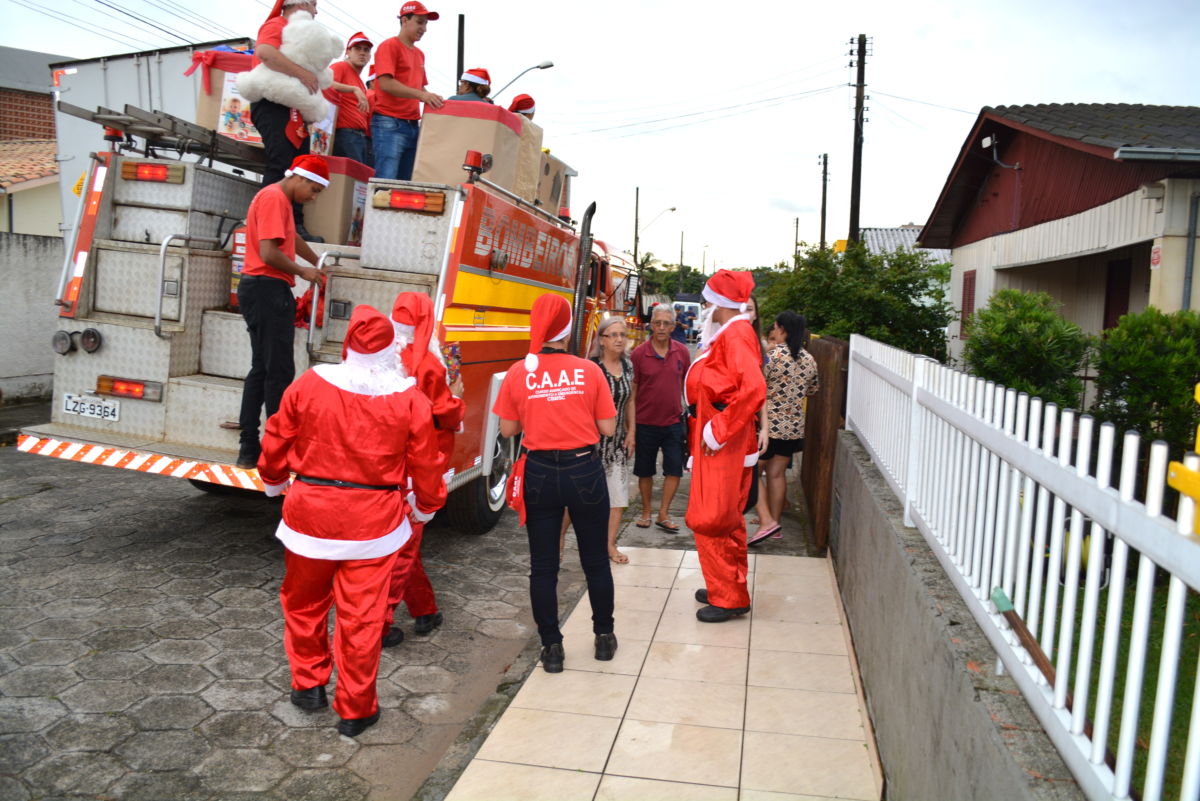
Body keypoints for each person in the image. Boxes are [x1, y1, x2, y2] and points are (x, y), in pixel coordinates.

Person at [258, 305, 446, 737]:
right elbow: (427, 463)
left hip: (310, 516)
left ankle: (308, 686)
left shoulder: (309, 384)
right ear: (391, 351)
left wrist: (272, 481)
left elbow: (276, 436)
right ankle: (356, 710)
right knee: (361, 619)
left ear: (348, 347)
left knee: (303, 606)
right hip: (374, 525)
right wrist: (426, 507)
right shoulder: (410, 399)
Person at [493, 293, 618, 673]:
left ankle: (551, 647)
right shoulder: (590, 370)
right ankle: (603, 637)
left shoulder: (519, 371)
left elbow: (508, 428)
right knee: (595, 560)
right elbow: (608, 428)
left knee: (543, 566)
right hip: (584, 471)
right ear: (569, 327)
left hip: (540, 473)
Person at [381, 292, 465, 645]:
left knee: (404, 543)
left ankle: (425, 610)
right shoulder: (428, 363)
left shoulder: (377, 354)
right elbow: (446, 413)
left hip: (383, 465)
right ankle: (380, 623)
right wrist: (457, 394)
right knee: (405, 547)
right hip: (419, 465)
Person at [235, 154, 327, 469]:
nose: (314, 198)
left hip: (258, 289)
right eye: (314, 190)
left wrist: (318, 260)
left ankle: (250, 448)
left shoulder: (278, 200)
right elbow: (269, 253)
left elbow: (292, 238)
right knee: (278, 372)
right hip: (267, 289)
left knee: (262, 369)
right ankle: (275, 450)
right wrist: (304, 272)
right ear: (298, 177)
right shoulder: (274, 198)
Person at [685, 270, 767, 622]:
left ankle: (728, 596)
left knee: (712, 518)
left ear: (718, 302)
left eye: (708, 299)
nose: (705, 306)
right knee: (728, 517)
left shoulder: (735, 335)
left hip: (723, 443)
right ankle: (726, 585)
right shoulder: (734, 333)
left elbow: (753, 388)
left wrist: (718, 429)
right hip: (725, 441)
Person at [251, 0, 323, 241]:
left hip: (292, 107)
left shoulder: (299, 34)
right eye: (313, 4)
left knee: (300, 167)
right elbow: (264, 53)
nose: (316, 10)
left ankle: (292, 225)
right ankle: (266, 227)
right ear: (300, 4)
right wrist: (303, 74)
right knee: (281, 163)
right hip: (271, 103)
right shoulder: (277, 24)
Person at [750, 311, 819, 545]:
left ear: (782, 330)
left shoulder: (773, 356)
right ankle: (774, 525)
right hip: (793, 427)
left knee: (750, 472)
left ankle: (766, 520)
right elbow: (813, 389)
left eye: (777, 328)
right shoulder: (809, 359)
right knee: (777, 474)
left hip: (767, 427)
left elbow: (756, 383)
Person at [630, 303, 690, 532]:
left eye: (667, 323)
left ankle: (663, 512)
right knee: (644, 471)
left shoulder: (682, 352)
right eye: (658, 323)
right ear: (651, 325)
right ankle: (646, 511)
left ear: (673, 326)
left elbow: (689, 384)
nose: (662, 327)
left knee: (674, 469)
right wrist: (631, 428)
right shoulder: (638, 354)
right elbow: (632, 393)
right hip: (645, 422)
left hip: (674, 422)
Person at [371, 1, 444, 181]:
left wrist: (434, 99)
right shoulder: (389, 46)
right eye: (420, 22)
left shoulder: (419, 54)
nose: (424, 28)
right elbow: (386, 83)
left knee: (403, 187)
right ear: (405, 20)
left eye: (426, 23)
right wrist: (423, 96)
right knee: (385, 183)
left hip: (411, 125)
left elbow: (419, 87)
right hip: (389, 122)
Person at [586, 315, 636, 564]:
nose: (619, 339)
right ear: (602, 340)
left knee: (617, 498)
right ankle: (560, 540)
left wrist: (632, 431)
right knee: (579, 501)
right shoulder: (591, 368)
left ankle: (609, 545)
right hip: (590, 445)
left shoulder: (628, 366)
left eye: (623, 335)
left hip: (616, 445)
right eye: (613, 335)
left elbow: (631, 400)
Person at [325, 32, 373, 166]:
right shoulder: (341, 66)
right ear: (348, 52)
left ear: (370, 56)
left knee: (357, 182)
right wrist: (353, 89)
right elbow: (326, 83)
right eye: (358, 48)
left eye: (366, 50)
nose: (362, 53)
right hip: (346, 135)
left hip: (357, 137)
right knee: (352, 181)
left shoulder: (360, 82)